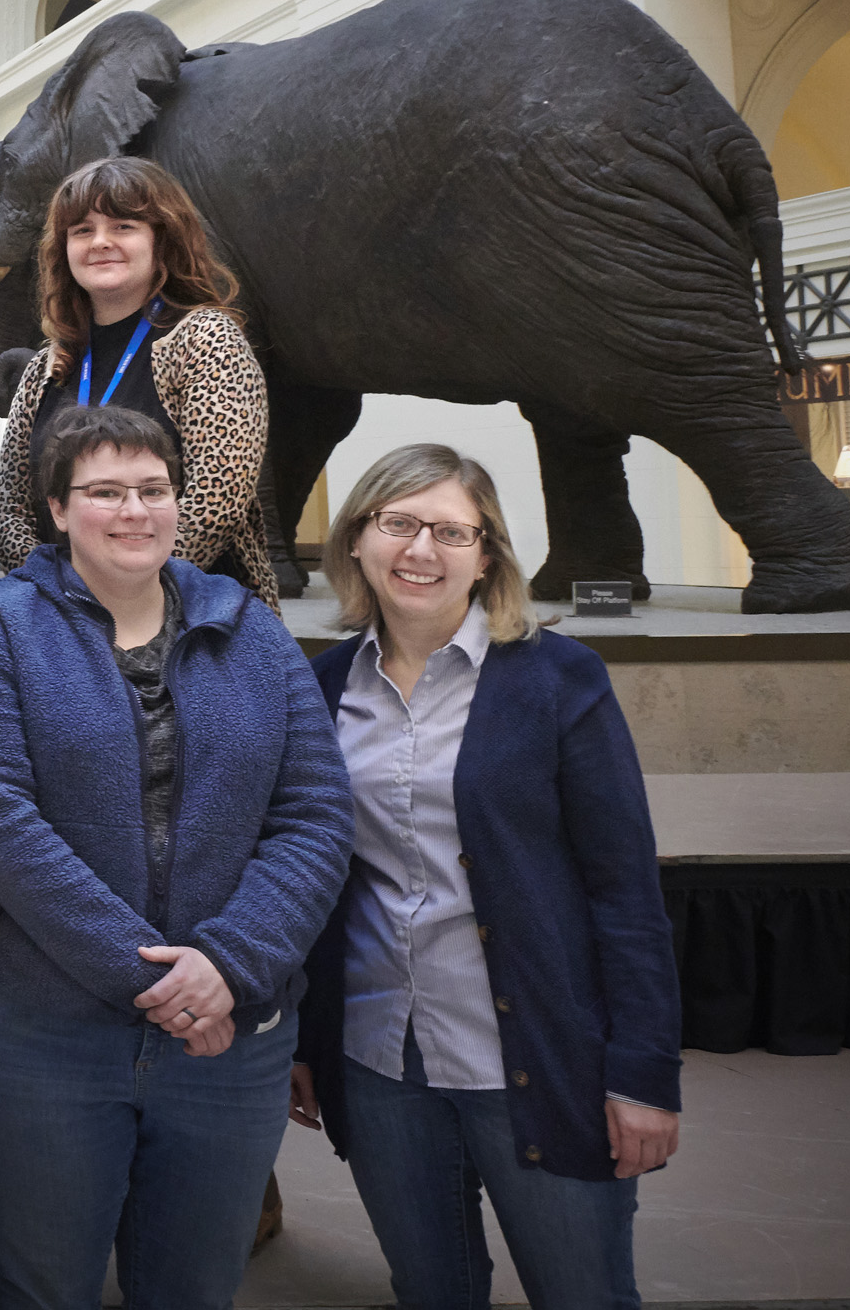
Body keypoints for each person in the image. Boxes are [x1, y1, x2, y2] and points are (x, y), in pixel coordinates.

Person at [0, 403, 352, 1310]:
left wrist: (227, 965)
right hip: (39, 1038)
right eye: (105, 491)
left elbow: (315, 816)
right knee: (43, 1285)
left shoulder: (255, 632)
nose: (135, 511)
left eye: (154, 489)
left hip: (226, 1041)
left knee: (196, 1288)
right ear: (56, 506)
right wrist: (158, 981)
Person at [291, 445, 680, 1310]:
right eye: (398, 522)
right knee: (432, 1292)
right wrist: (307, 1038)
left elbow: (626, 893)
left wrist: (644, 1075)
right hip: (381, 1060)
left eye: (450, 530)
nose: (421, 548)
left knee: (584, 1295)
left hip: (541, 1057)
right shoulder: (318, 687)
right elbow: (316, 880)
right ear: (356, 539)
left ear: (487, 554)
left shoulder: (558, 680)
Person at [0, 155, 276, 597]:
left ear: (163, 240)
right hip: (62, 617)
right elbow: (11, 509)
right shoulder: (46, 365)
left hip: (192, 617)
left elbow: (217, 503)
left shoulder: (206, 340)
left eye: (123, 226)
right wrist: (59, 595)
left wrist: (126, 596)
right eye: (82, 230)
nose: (100, 241)